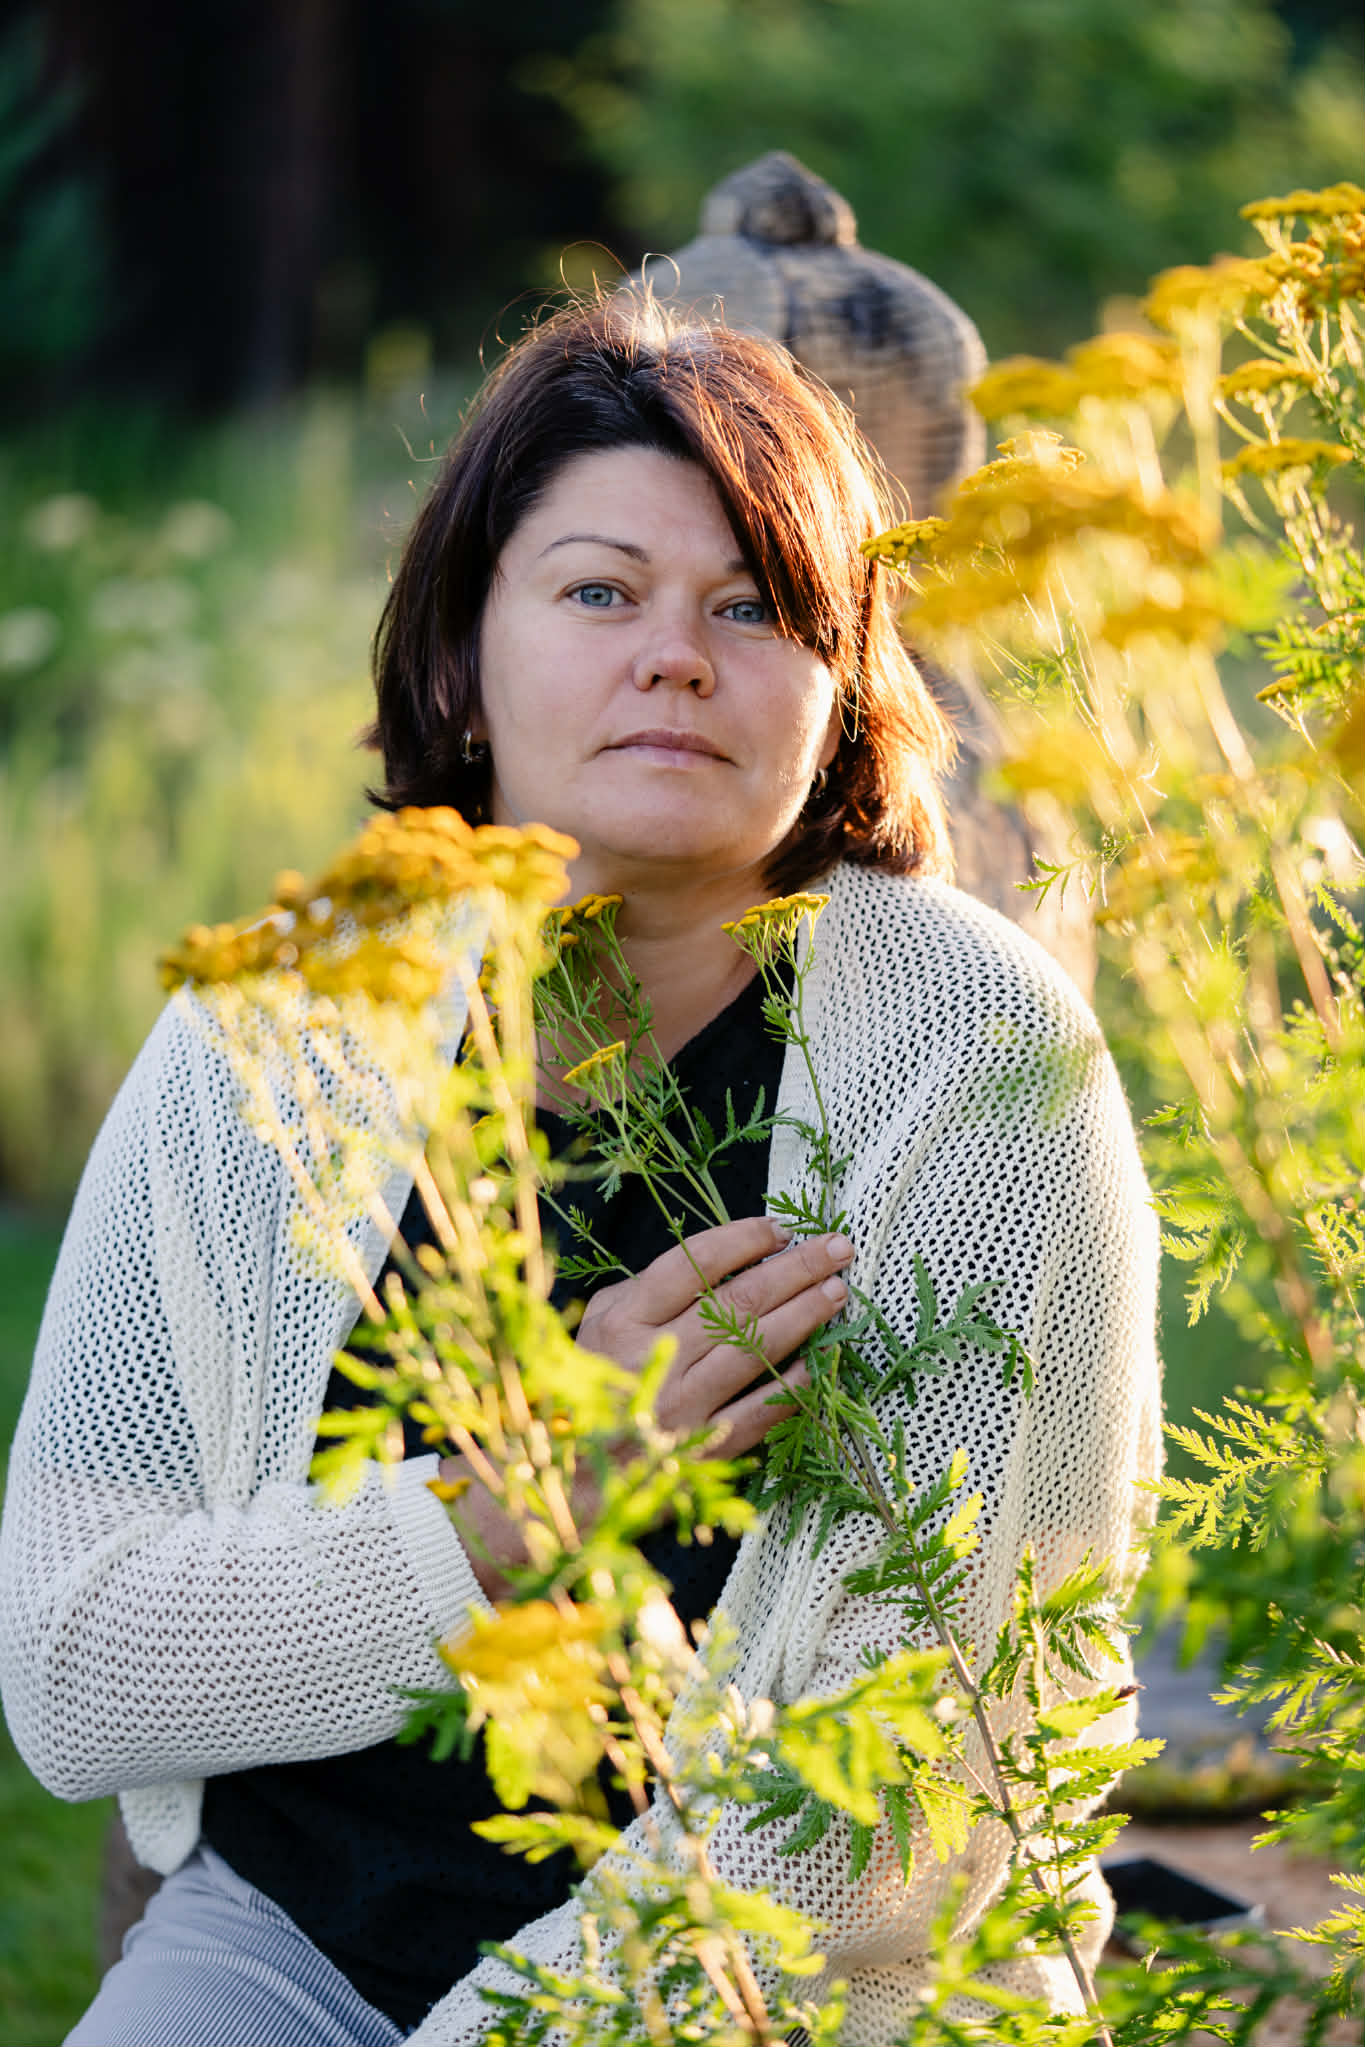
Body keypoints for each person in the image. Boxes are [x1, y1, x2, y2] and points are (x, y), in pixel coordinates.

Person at [0, 297, 1160, 2046]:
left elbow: (914, 1781)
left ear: (843, 687)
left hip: (797, 1982)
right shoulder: (277, 1024)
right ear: (463, 660)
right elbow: (77, 1667)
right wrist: (523, 1506)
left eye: (752, 607)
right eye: (598, 591)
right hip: (291, 1945)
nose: (675, 657)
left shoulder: (975, 1068)